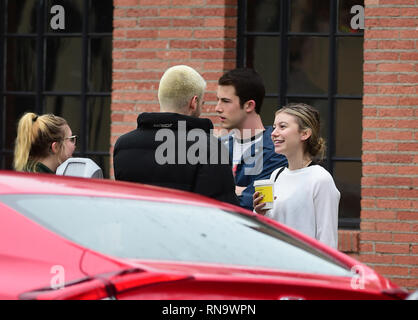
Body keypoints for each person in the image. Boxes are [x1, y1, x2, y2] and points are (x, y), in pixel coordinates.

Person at [113, 65, 239, 205]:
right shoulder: (210, 148)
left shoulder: (123, 145)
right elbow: (221, 210)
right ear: (194, 102)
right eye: (202, 103)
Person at [253, 103, 340, 249]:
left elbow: (327, 240)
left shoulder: (320, 179)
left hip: (304, 268)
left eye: (282, 126)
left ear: (304, 134)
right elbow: (266, 229)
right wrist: (259, 213)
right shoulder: (276, 175)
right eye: (274, 127)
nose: (273, 133)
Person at [216, 68, 287, 211]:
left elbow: (252, 204)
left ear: (249, 105)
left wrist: (223, 192)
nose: (218, 108)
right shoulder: (218, 147)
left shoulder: (276, 151)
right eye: (218, 100)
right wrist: (239, 191)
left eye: (226, 101)